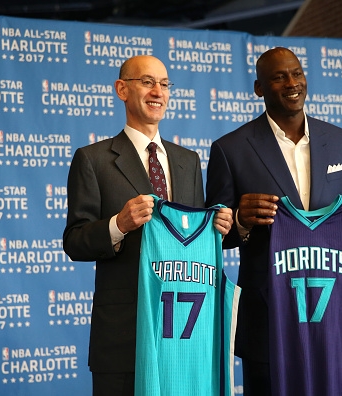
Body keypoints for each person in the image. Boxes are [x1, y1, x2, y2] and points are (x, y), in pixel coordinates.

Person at [205, 47, 342, 395]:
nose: (292, 83)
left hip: (334, 313)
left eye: (297, 73)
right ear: (259, 88)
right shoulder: (230, 149)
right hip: (268, 318)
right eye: (279, 77)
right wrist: (240, 220)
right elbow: (214, 235)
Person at [63, 55, 233, 396]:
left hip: (186, 335)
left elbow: (191, 241)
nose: (158, 91)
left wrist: (223, 226)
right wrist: (118, 224)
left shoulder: (188, 161)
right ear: (122, 89)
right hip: (125, 337)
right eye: (147, 82)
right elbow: (75, 241)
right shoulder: (93, 159)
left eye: (165, 84)